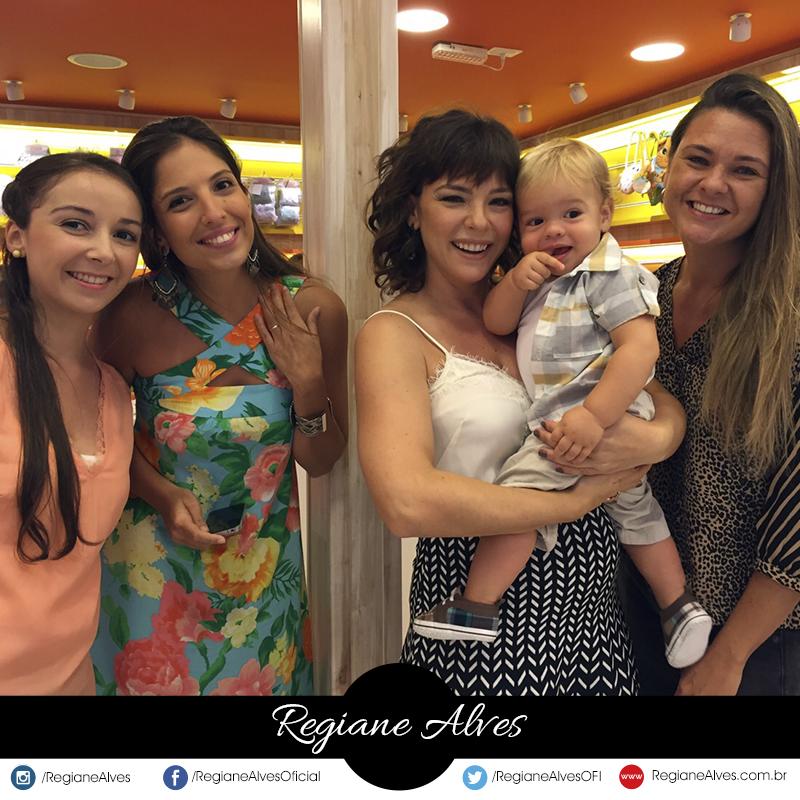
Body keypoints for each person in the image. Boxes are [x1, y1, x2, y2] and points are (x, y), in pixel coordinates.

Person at [358, 108, 684, 695]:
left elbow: (652, 393)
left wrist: (658, 439)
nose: (479, 222)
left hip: (593, 616)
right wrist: (572, 502)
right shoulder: (394, 333)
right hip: (475, 619)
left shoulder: (547, 303)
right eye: (454, 198)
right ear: (413, 209)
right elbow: (406, 503)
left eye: (500, 202)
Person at [542, 73, 800, 695]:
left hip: (754, 642)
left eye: (744, 170)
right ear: (670, 167)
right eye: (699, 159)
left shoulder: (787, 314)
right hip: (638, 607)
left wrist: (729, 656)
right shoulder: (646, 292)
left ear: (775, 190)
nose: (712, 184)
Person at [90, 117, 348, 696]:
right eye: (181, 201)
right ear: (156, 230)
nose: (213, 212)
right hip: (148, 577)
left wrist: (309, 384)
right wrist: (163, 493)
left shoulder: (312, 308)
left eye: (222, 185)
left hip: (262, 578)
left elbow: (324, 458)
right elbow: (96, 442)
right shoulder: (127, 315)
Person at [0, 153, 142, 694]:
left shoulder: (114, 393)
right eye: (76, 224)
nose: (103, 251)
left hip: (72, 679)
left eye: (124, 235)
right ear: (17, 236)